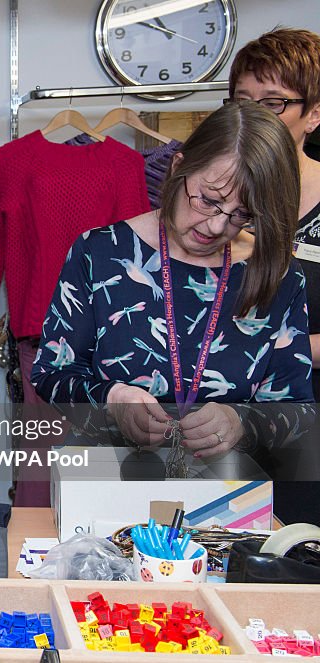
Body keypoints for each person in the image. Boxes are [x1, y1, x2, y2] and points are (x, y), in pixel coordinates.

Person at [31, 101, 313, 461]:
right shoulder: (100, 252)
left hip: (225, 497)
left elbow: (298, 409)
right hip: (107, 484)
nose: (216, 226)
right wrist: (113, 399)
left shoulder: (278, 274)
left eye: (242, 214)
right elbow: (51, 375)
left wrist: (242, 421)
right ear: (178, 168)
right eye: (209, 200)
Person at [229, 28, 320, 523]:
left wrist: (276, 351)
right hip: (229, 423)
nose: (256, 115)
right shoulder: (211, 201)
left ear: (315, 113)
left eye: (275, 101)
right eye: (243, 100)